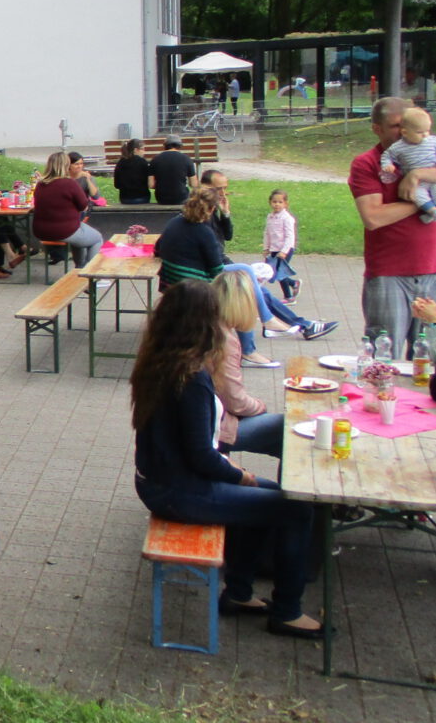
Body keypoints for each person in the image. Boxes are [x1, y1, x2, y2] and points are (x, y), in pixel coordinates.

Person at [130, 280, 321, 639]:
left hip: (161, 482)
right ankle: (287, 611)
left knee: (271, 495)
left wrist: (242, 478)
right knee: (296, 508)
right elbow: (203, 456)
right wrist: (241, 475)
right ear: (202, 323)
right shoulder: (191, 378)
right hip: (179, 491)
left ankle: (239, 593)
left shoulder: (157, 361)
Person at [155, 190, 336, 341]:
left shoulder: (174, 223)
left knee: (254, 286)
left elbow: (158, 249)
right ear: (210, 208)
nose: (224, 192)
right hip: (198, 284)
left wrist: (225, 214)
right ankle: (268, 331)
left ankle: (301, 326)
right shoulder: (203, 231)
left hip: (177, 279)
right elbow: (217, 271)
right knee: (246, 283)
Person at [358, 96, 436, 357]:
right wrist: (423, 203)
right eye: (397, 126)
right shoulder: (368, 163)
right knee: (384, 357)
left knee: (432, 357)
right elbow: (373, 217)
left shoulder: (429, 148)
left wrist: (416, 175)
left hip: (432, 268)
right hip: (389, 274)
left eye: (407, 123)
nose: (404, 131)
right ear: (378, 129)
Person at [210, 270, 285, 453]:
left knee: (277, 436)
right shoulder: (224, 340)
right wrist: (260, 406)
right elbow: (235, 401)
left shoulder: (206, 324)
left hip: (202, 419)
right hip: (214, 427)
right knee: (286, 428)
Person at [380, 106, 436, 223]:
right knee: (416, 195)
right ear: (405, 132)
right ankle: (432, 211)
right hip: (418, 183)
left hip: (435, 177)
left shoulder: (433, 141)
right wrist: (387, 164)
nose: (425, 135)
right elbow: (386, 155)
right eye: (420, 132)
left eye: (427, 131)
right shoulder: (399, 147)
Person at [32, 152, 102, 268]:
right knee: (97, 238)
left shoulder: (40, 184)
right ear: (66, 166)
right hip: (64, 230)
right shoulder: (69, 183)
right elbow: (83, 206)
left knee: (80, 236)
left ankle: (79, 269)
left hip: (41, 230)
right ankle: (92, 274)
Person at [263, 189, 300, 302]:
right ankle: (294, 283)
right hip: (274, 248)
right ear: (270, 202)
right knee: (274, 272)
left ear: (285, 204)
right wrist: (266, 247)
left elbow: (290, 236)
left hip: (285, 249)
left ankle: (288, 297)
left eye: (280, 202)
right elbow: (267, 232)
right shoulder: (270, 217)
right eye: (274, 202)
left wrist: (284, 251)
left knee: (280, 272)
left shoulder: (287, 218)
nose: (277, 204)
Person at [149, 135, 198, 204]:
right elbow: (193, 184)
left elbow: (151, 185)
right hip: (181, 197)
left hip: (162, 198)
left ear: (165, 146)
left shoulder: (155, 159)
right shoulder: (186, 159)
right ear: (180, 146)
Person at [199, 170, 235, 251]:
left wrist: (225, 213)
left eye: (225, 188)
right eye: (218, 189)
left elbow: (228, 236)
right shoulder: (199, 211)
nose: (222, 193)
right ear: (205, 187)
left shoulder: (213, 208)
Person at [113, 139, 151, 204]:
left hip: (124, 198)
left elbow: (117, 185)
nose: (144, 151)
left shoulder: (121, 162)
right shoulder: (142, 162)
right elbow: (149, 183)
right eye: (143, 149)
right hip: (141, 197)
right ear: (135, 150)